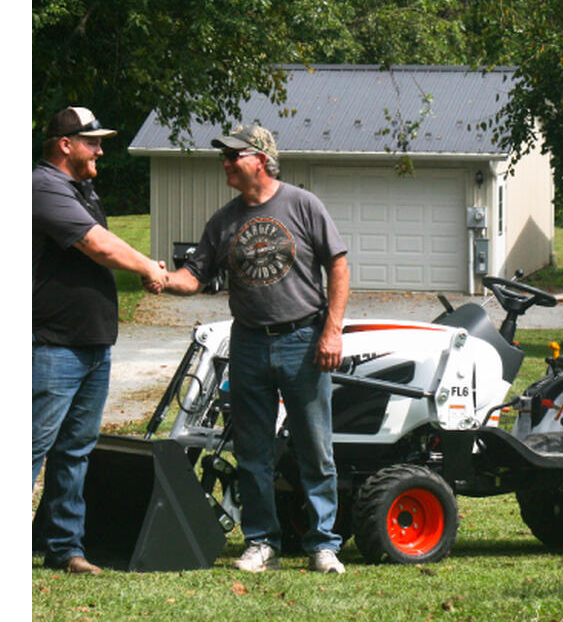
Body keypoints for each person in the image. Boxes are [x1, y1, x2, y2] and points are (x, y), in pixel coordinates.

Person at [157, 124, 349, 574]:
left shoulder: (303, 205)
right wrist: (164, 278)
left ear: (259, 159)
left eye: (232, 156)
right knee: (252, 450)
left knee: (314, 448)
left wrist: (332, 331)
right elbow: (194, 277)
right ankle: (262, 543)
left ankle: (323, 545)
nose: (224, 163)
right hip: (247, 345)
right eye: (223, 156)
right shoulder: (223, 221)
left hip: (304, 340)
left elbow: (338, 266)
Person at [32, 106, 167, 575]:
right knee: (31, 446)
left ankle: (65, 550)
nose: (101, 150)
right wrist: (149, 267)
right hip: (51, 345)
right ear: (65, 144)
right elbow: (97, 244)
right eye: (92, 141)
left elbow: (105, 247)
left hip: (92, 344)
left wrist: (140, 268)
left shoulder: (81, 188)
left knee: (74, 452)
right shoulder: (44, 186)